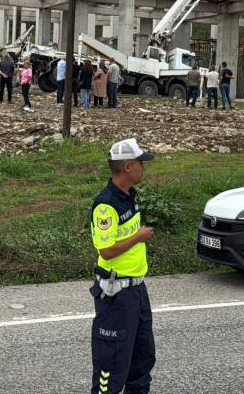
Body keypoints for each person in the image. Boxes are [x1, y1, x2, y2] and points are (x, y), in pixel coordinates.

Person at [89, 138, 156, 394]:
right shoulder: (106, 204)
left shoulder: (129, 195)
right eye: (141, 162)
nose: (144, 167)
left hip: (137, 290)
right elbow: (105, 250)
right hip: (117, 294)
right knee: (112, 365)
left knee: (142, 358)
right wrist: (138, 237)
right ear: (128, 166)